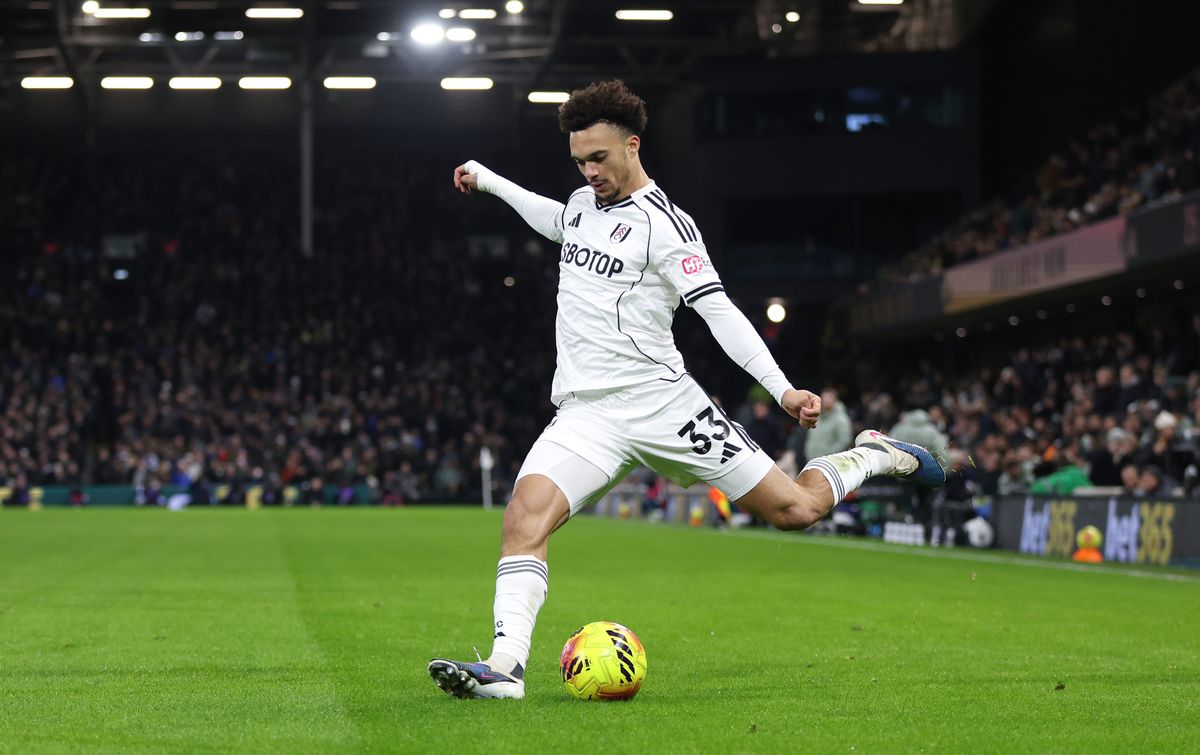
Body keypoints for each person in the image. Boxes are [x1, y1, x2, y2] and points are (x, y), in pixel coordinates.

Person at [427, 80, 947, 700]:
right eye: (580, 162)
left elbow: (719, 311)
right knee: (523, 518)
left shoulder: (668, 227)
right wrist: (490, 181)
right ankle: (506, 669)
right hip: (588, 414)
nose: (589, 171)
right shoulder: (582, 204)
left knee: (795, 512)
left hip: (665, 407)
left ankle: (871, 454)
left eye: (599, 158)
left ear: (632, 144)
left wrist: (779, 389)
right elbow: (560, 222)